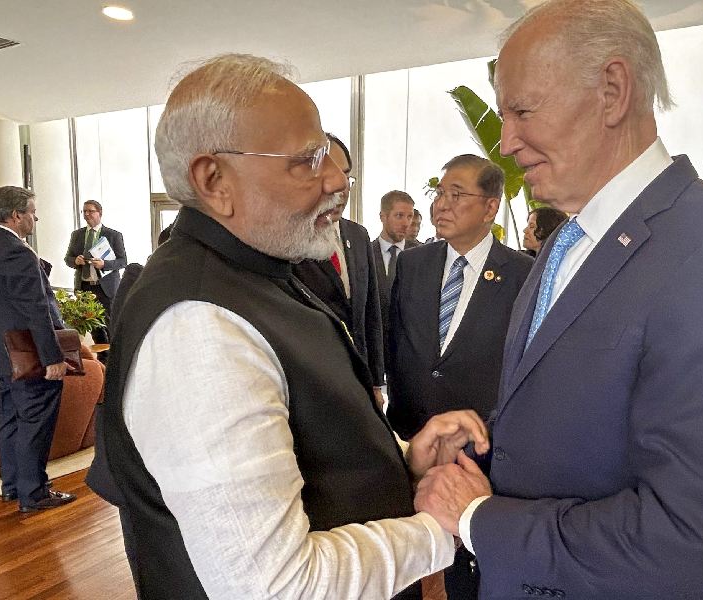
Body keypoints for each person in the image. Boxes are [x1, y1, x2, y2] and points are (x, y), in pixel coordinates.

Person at [414, 1, 703, 598]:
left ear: (613, 90)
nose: (505, 143)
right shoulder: (564, 244)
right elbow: (587, 437)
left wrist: (477, 518)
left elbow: (685, 536)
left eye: (520, 111)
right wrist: (479, 452)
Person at [91, 53, 488, 599]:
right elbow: (274, 585)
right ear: (214, 180)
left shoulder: (261, 270)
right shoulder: (199, 328)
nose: (336, 179)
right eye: (307, 160)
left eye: (327, 153)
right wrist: (440, 528)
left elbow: (303, 453)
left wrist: (399, 461)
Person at [387, 155, 533, 598]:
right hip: (412, 436)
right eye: (439, 194)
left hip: (478, 445)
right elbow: (398, 341)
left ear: (491, 208)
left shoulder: (522, 274)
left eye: (457, 195)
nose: (441, 206)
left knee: (470, 562)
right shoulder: (413, 264)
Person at [293, 133, 387, 409]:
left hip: (358, 380)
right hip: (313, 388)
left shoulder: (357, 236)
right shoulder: (290, 240)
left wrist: (375, 381)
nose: (341, 186)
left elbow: (370, 314)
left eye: (346, 175)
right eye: (329, 173)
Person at [0, 186, 76, 513]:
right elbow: (35, 309)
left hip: (0, 360)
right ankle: (35, 492)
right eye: (31, 211)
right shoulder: (16, 251)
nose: (36, 216)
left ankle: (13, 487)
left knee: (9, 420)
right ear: (16, 215)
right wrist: (52, 358)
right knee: (34, 422)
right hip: (26, 357)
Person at [63, 199, 127, 346]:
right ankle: (103, 360)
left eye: (90, 211)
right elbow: (68, 258)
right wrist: (75, 261)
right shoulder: (77, 235)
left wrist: (105, 264)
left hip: (105, 288)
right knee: (93, 327)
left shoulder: (113, 235)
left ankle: (114, 359)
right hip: (85, 287)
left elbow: (123, 261)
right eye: (84, 211)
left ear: (100, 213)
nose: (87, 214)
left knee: (110, 325)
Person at [372, 190, 419, 371]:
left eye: (410, 216)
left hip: (410, 354)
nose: (406, 223)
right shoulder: (365, 253)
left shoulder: (422, 255)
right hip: (376, 352)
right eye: (399, 216)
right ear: (383, 216)